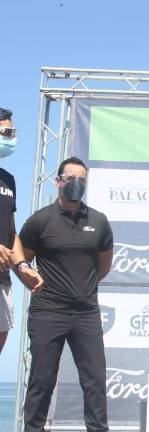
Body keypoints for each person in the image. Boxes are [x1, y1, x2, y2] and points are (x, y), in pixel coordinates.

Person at [20, 157, 113, 432]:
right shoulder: (40, 220)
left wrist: (82, 289)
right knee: (41, 381)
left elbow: (103, 266)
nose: (76, 183)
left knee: (94, 382)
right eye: (71, 178)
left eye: (82, 179)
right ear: (58, 181)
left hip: (86, 314)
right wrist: (35, 284)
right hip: (48, 312)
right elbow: (22, 263)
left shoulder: (98, 221)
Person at [0, 107, 44, 355]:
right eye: (7, 132)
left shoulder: (8, 179)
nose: (11, 138)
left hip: (2, 281)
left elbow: (11, 233)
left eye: (13, 132)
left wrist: (23, 267)